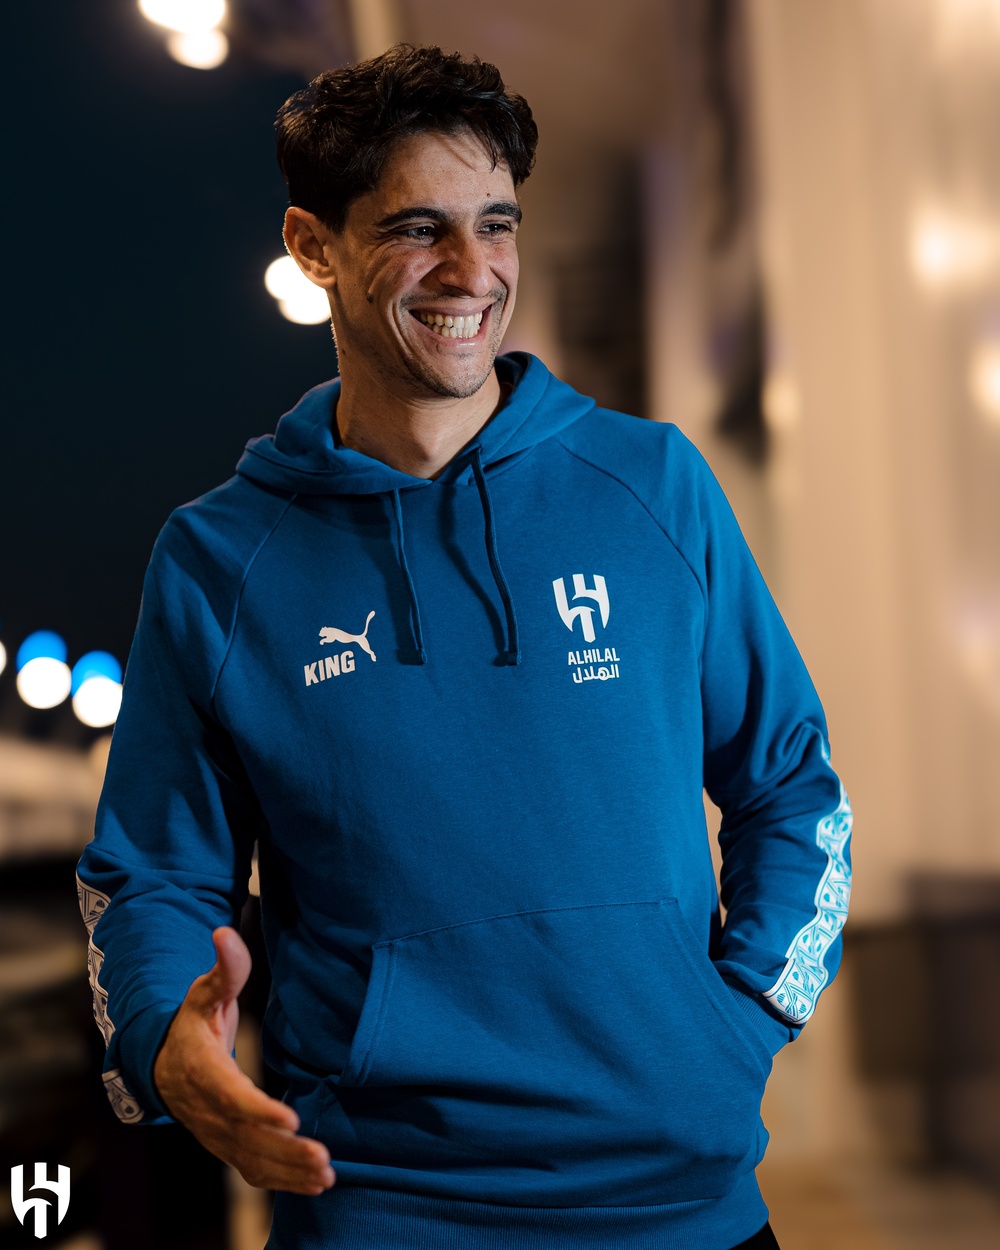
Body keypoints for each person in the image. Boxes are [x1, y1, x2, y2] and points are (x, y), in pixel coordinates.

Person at [77, 43, 852, 1250]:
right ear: (312, 246)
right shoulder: (221, 559)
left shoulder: (652, 486)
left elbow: (790, 783)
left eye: (496, 224)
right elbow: (154, 877)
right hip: (379, 1203)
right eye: (416, 229)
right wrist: (165, 1039)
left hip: (684, 1208)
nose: (472, 270)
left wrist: (747, 1012)